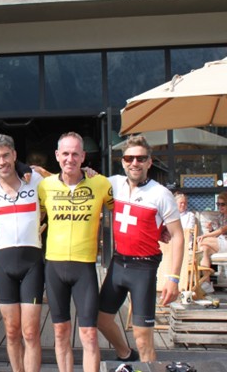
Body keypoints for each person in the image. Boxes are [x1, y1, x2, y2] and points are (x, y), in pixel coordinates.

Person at [98, 134, 184, 363]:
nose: (134, 163)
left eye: (140, 158)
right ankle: (126, 354)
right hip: (118, 264)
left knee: (143, 338)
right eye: (129, 158)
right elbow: (80, 178)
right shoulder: (113, 184)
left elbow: (177, 235)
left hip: (143, 269)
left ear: (149, 162)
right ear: (123, 161)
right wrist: (25, 168)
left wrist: (174, 278)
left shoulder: (161, 194)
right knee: (101, 320)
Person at [37, 132, 113, 372]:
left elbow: (125, 208)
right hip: (54, 266)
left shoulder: (100, 184)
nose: (70, 159)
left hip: (84, 267)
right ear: (57, 155)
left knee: (89, 333)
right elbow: (31, 216)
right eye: (65, 153)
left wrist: (161, 227)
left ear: (83, 156)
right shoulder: (45, 186)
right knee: (60, 331)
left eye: (75, 154)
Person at [0, 134, 45, 372]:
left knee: (31, 332)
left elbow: (62, 183)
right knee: (12, 331)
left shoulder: (34, 179)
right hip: (4, 263)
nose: (1, 161)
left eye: (6, 155)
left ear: (15, 155)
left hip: (31, 263)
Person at [197, 191, 227, 294]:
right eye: (218, 204)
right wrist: (210, 229)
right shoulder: (220, 216)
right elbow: (215, 232)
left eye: (223, 204)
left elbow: (221, 230)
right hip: (220, 242)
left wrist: (205, 235)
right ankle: (207, 282)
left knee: (203, 241)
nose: (220, 207)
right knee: (204, 249)